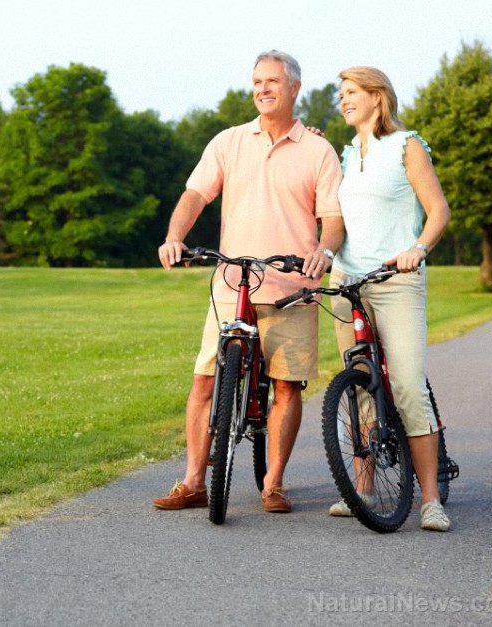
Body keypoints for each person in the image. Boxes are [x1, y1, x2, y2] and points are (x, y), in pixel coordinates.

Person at [154, 50, 345, 514]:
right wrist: (174, 237)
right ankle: (194, 481)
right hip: (231, 284)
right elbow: (196, 193)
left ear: (294, 88)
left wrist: (325, 249)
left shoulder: (318, 150)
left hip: (291, 288)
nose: (263, 89)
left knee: (285, 386)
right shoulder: (229, 141)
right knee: (204, 381)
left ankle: (273, 485)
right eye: (257, 81)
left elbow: (333, 219)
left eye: (273, 81)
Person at [329, 66, 452, 531]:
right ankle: (362, 490)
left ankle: (430, 501)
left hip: (396, 280)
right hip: (349, 280)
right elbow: (338, 217)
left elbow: (438, 210)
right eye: (342, 93)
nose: (343, 100)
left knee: (404, 384)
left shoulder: (407, 145)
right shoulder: (343, 153)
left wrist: (417, 249)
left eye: (352, 92)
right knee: (359, 382)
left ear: (377, 98)